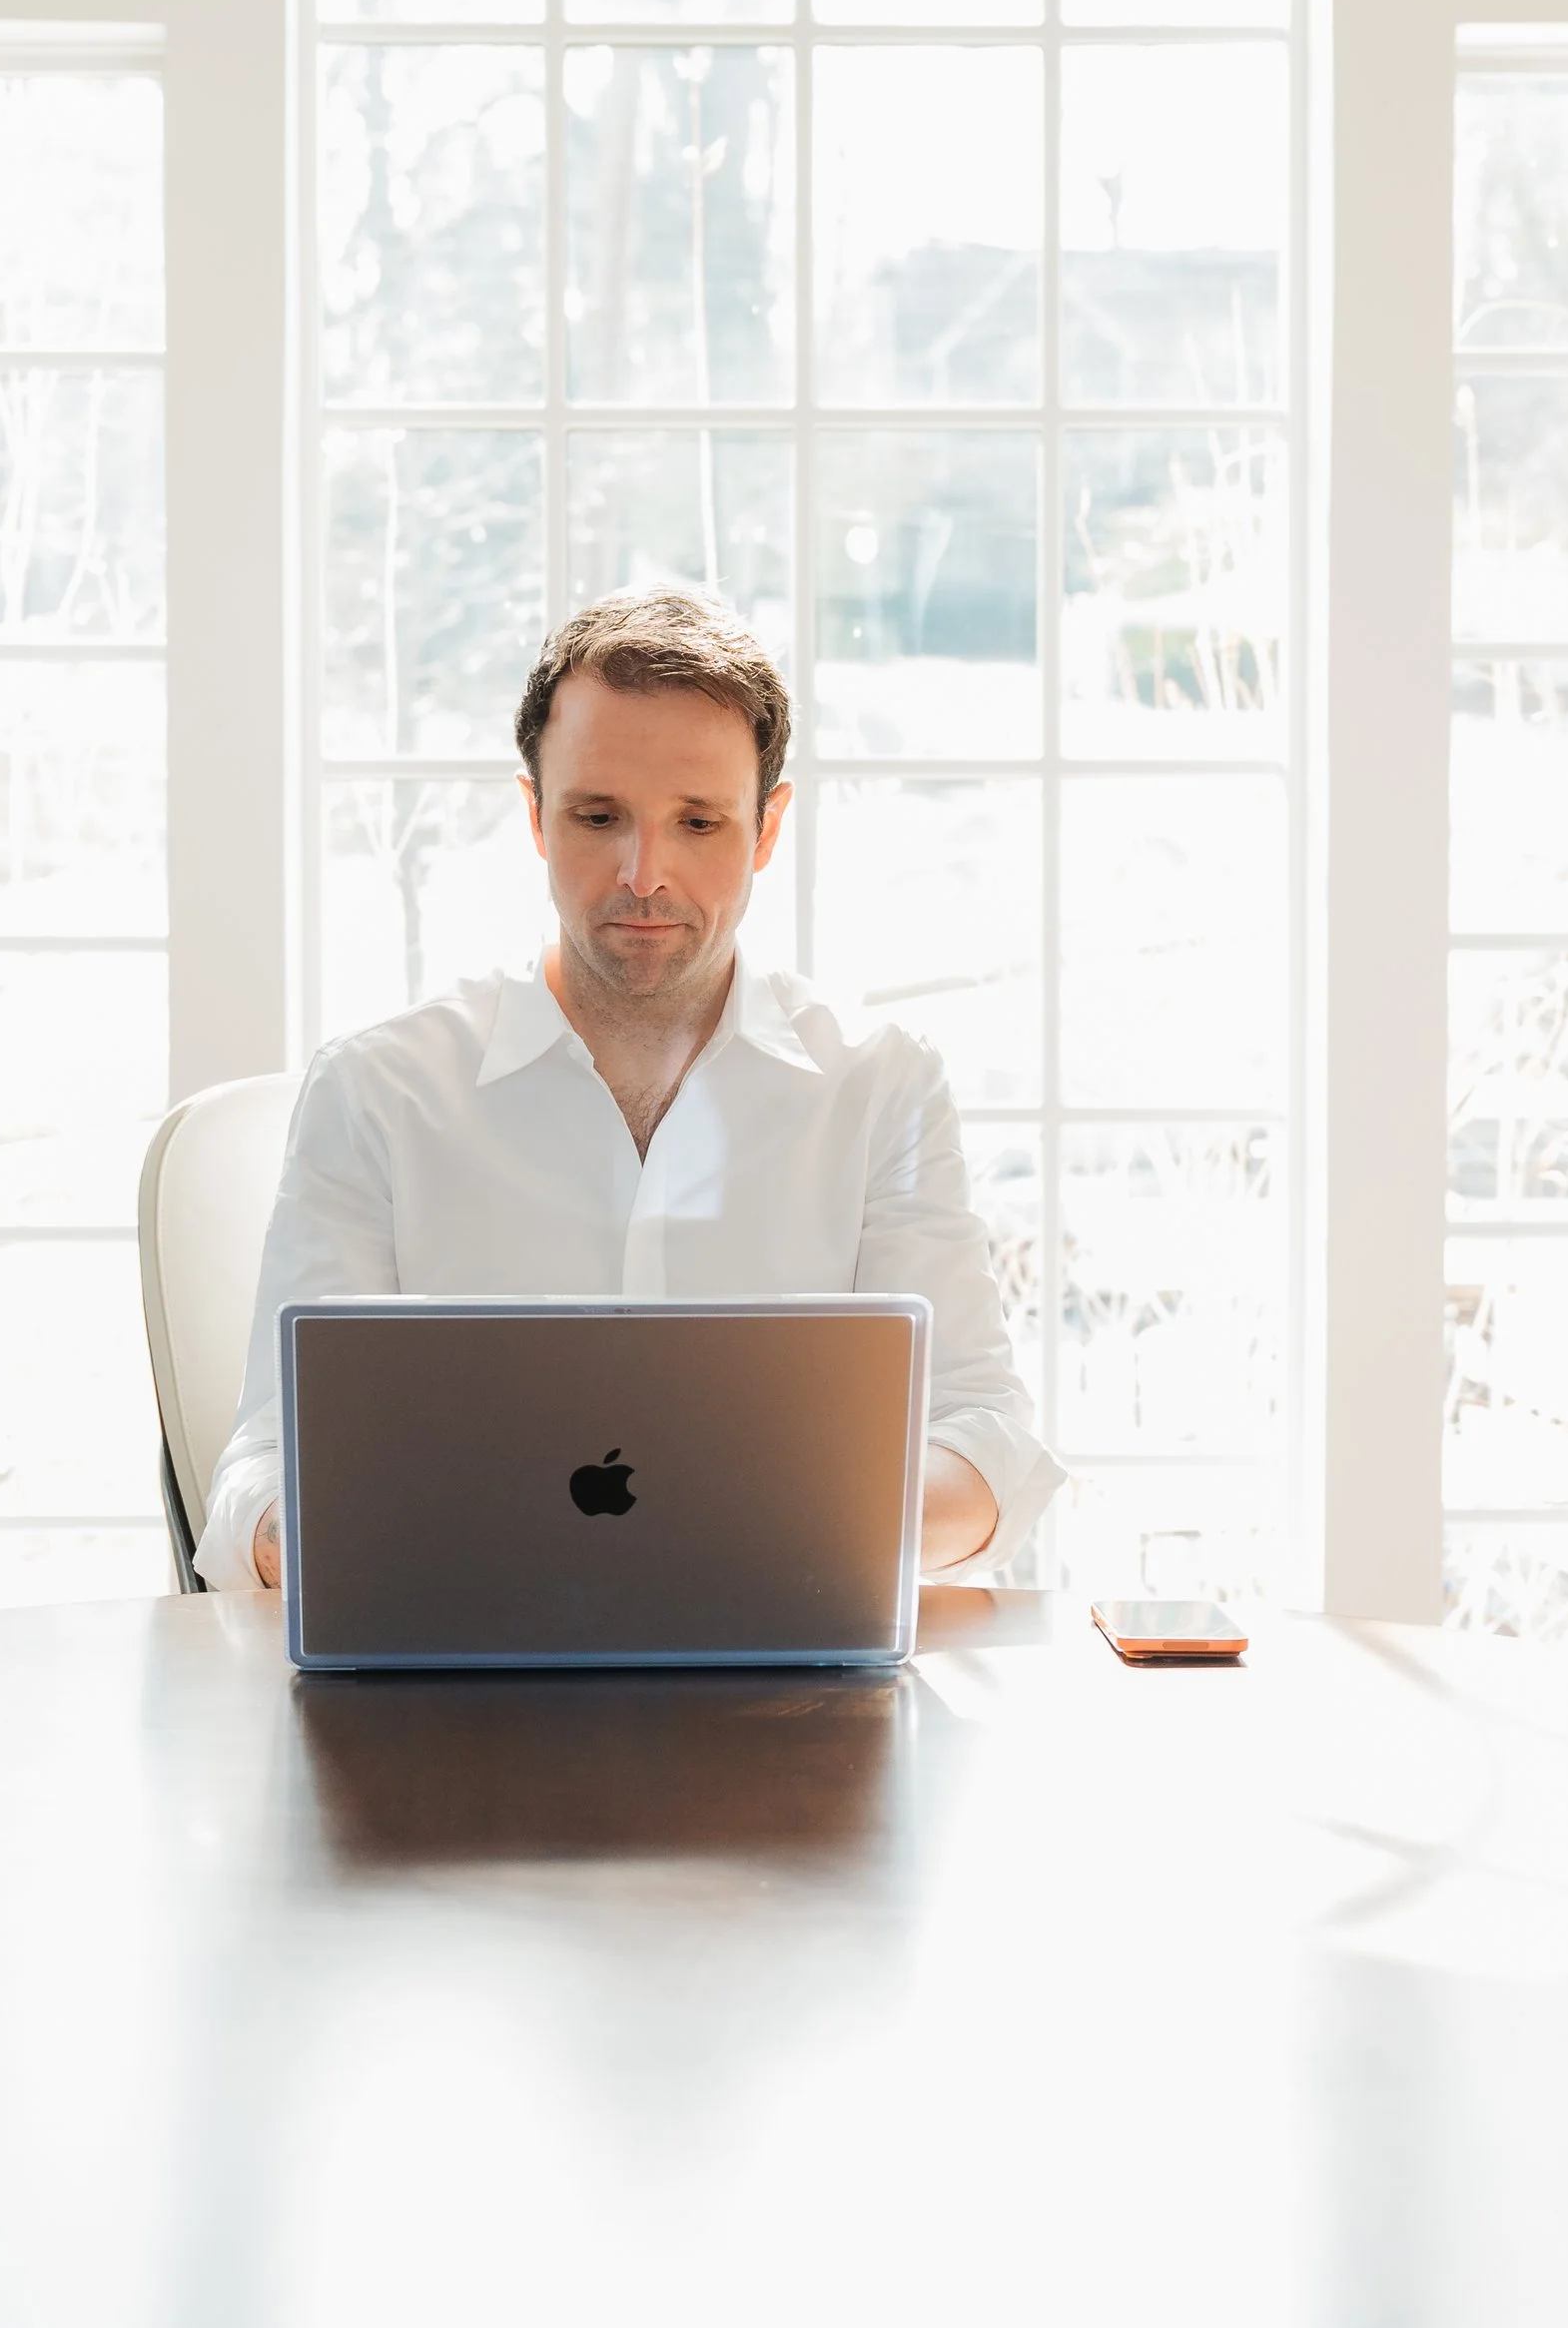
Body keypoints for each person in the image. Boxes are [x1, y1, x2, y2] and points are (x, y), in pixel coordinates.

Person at [195, 589, 1060, 1592]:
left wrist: (758, 1539)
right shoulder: (379, 1091)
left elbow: (984, 1435)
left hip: (789, 1688)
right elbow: (260, 1471)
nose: (643, 874)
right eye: (598, 816)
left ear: (767, 826)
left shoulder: (878, 1085)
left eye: (698, 821)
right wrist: (366, 1540)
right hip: (455, 1693)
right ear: (534, 814)